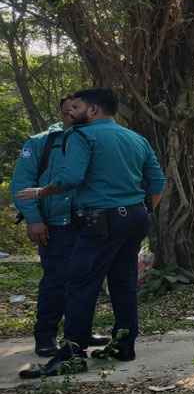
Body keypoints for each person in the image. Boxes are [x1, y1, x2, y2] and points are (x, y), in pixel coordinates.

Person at [16, 89, 166, 377]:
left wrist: (42, 191)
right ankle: (124, 345)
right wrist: (141, 209)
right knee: (123, 282)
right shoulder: (135, 138)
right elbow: (157, 182)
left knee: (79, 283)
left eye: (76, 106)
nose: (70, 111)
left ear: (93, 110)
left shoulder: (81, 136)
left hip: (101, 219)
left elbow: (71, 178)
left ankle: (72, 353)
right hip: (135, 216)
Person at [10, 97, 107, 357]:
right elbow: (21, 184)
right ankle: (46, 336)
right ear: (63, 111)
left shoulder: (93, 138)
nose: (72, 111)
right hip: (55, 224)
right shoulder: (41, 142)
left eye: (79, 106)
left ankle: (80, 334)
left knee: (87, 280)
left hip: (88, 221)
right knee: (55, 280)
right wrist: (34, 219)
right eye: (69, 108)